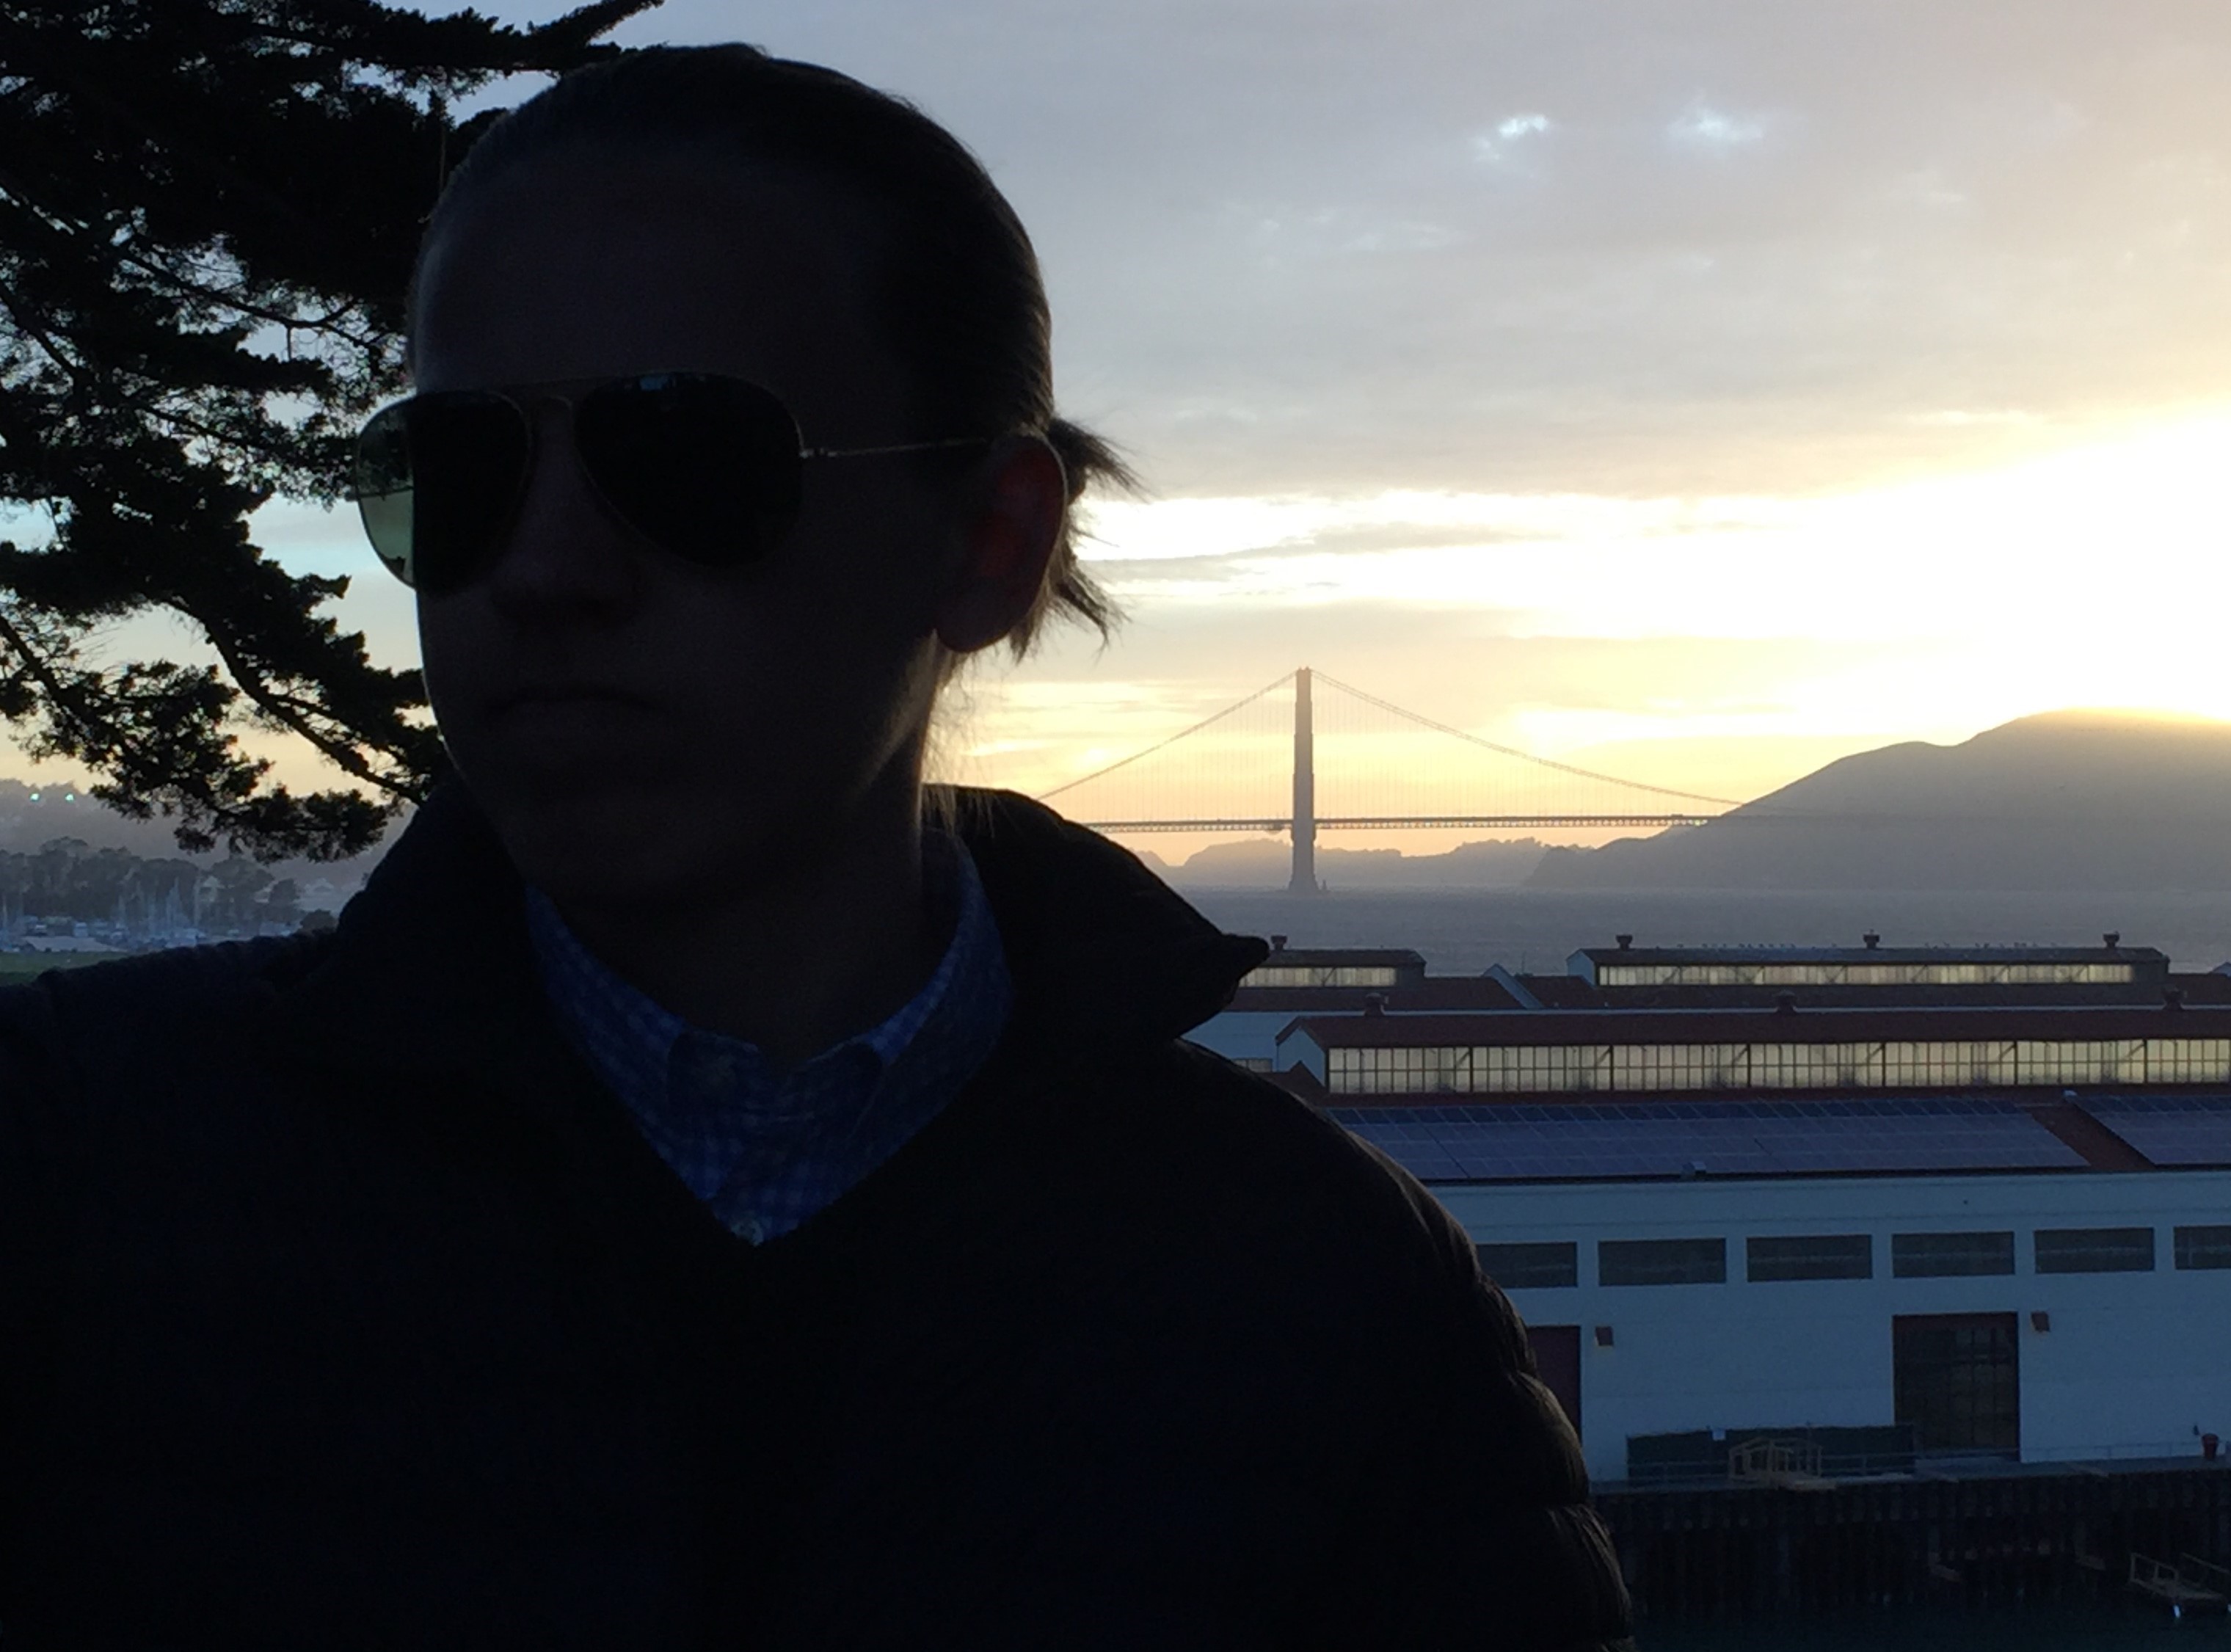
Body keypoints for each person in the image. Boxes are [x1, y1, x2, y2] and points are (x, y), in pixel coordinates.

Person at [0, 44, 1632, 1648]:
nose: (545, 568)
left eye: (682, 457)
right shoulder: (67, 1162)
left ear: (990, 542)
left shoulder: (1335, 1299)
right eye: (459, 468)